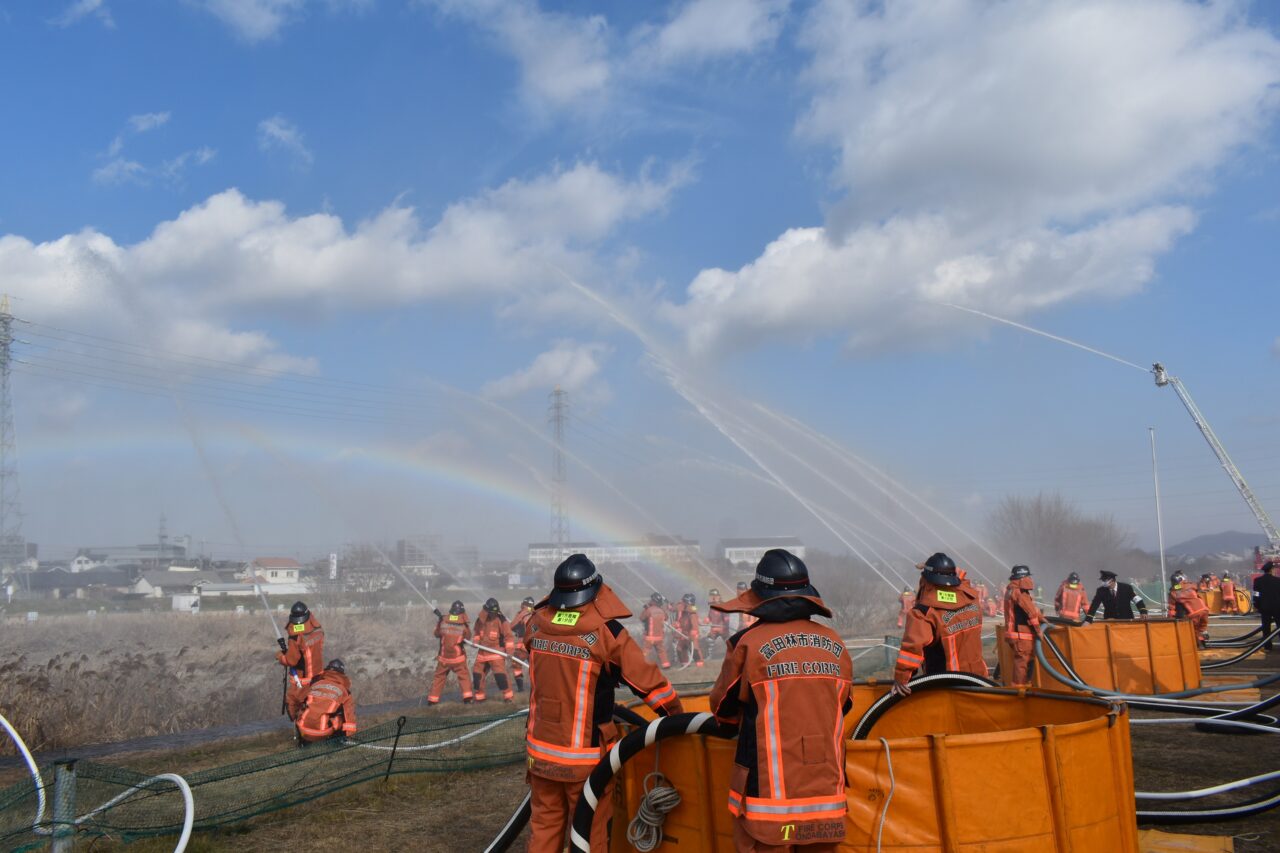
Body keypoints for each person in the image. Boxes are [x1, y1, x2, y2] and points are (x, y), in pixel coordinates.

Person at [525, 555, 683, 852]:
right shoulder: (606, 633)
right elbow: (647, 682)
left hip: (540, 754)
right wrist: (676, 717)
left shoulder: (535, 625)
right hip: (584, 760)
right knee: (588, 833)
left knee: (544, 828)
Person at [710, 549, 853, 851]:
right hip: (826, 800)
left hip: (768, 805)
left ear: (761, 597)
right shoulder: (835, 643)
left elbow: (723, 707)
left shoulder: (746, 643)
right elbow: (844, 704)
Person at [893, 553, 988, 695]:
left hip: (947, 685)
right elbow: (961, 578)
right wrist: (939, 567)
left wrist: (901, 679)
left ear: (927, 580)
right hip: (979, 677)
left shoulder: (924, 613)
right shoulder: (970, 597)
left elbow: (912, 650)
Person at [276, 600, 325, 721]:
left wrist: (280, 656)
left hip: (302, 680)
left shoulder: (296, 637)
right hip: (318, 675)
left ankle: (301, 730)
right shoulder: (318, 630)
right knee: (314, 704)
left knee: (293, 703)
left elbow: (291, 661)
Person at [296, 659, 357, 744]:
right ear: (342, 674)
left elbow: (299, 701)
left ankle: (303, 742)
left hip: (303, 730)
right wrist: (348, 735)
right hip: (322, 733)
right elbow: (349, 716)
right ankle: (337, 740)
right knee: (341, 714)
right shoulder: (344, 691)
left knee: (305, 708)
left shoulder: (315, 684)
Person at [1003, 565, 1044, 687]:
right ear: (1022, 578)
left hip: (1017, 634)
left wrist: (1042, 618)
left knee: (1027, 662)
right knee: (1022, 664)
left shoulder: (1013, 590)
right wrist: (1038, 631)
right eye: (1028, 577)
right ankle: (1020, 691)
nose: (1030, 580)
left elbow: (1029, 610)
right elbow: (1031, 613)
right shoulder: (1019, 592)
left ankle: (1025, 687)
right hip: (1022, 635)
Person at [427, 600, 472, 705]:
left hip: (444, 658)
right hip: (458, 658)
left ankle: (432, 701)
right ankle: (468, 698)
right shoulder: (463, 626)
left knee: (439, 678)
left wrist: (439, 622)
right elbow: (468, 637)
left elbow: (436, 634)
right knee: (464, 677)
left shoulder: (443, 622)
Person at [472, 597, 516, 702]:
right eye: (491, 612)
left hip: (496, 654)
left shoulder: (501, 620)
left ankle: (508, 698)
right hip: (482, 654)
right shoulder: (480, 620)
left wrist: (509, 652)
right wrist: (475, 642)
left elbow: (509, 637)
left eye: (495, 612)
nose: (493, 614)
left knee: (500, 676)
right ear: (487, 611)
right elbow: (477, 633)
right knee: (477, 676)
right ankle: (480, 698)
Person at [1168, 572, 1210, 646]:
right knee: (1202, 627)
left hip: (1193, 613)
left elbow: (1172, 608)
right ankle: (1203, 635)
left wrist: (1170, 618)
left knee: (1194, 630)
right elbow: (1197, 589)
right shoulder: (1191, 586)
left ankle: (1199, 644)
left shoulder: (1173, 592)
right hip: (1204, 610)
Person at [509, 596, 536, 692]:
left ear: (523, 604)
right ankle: (537, 687)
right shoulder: (536, 614)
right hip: (535, 645)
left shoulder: (522, 613)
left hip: (523, 646)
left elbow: (511, 626)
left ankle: (520, 688)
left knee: (516, 665)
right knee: (534, 667)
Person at [640, 592, 672, 668]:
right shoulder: (662, 611)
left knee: (645, 652)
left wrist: (646, 608)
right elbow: (666, 618)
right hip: (659, 637)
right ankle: (666, 665)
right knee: (661, 651)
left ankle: (642, 665)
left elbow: (642, 618)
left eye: (651, 600)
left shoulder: (649, 610)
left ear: (653, 601)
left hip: (650, 637)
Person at [1255, 562, 1280, 652]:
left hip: (1264, 607)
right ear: (1271, 570)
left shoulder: (1258, 581)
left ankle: (1267, 647)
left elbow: (1256, 595)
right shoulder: (1278, 581)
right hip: (1277, 607)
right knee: (1279, 627)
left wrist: (1257, 606)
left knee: (1266, 628)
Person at [675, 593, 705, 668]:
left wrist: (692, 634)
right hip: (684, 634)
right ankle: (684, 663)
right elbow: (679, 617)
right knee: (680, 649)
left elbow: (694, 626)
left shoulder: (692, 613)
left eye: (683, 602)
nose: (682, 604)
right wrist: (676, 625)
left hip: (691, 634)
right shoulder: (684, 612)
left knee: (694, 649)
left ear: (687, 602)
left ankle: (700, 664)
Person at [705, 588, 732, 652]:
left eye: (714, 596)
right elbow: (710, 617)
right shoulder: (712, 606)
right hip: (714, 629)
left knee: (729, 642)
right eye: (711, 596)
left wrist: (726, 626)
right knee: (709, 640)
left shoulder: (722, 606)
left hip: (722, 629)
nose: (713, 598)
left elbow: (726, 618)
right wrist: (707, 620)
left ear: (718, 597)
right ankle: (709, 654)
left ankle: (733, 653)